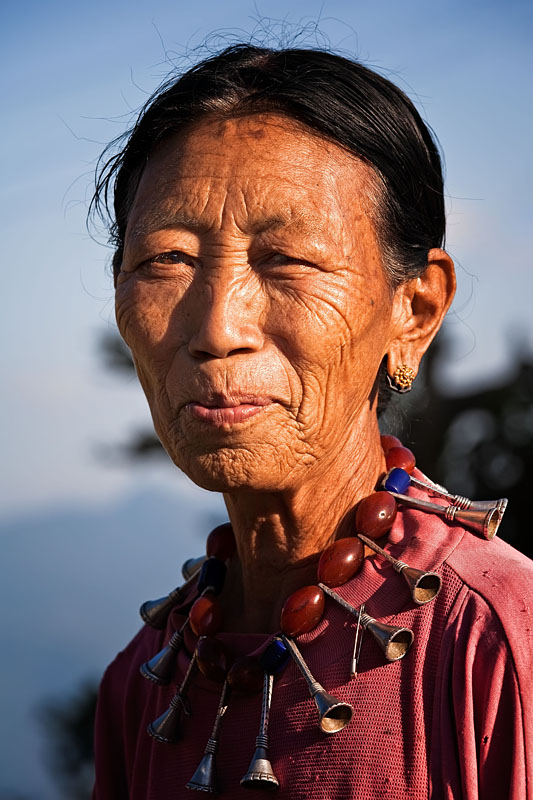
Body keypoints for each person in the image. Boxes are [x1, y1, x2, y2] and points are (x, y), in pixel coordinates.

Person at [91, 45, 532, 799]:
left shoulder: (495, 640)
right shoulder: (144, 677)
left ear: (414, 309)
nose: (217, 327)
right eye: (166, 259)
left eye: (286, 259)